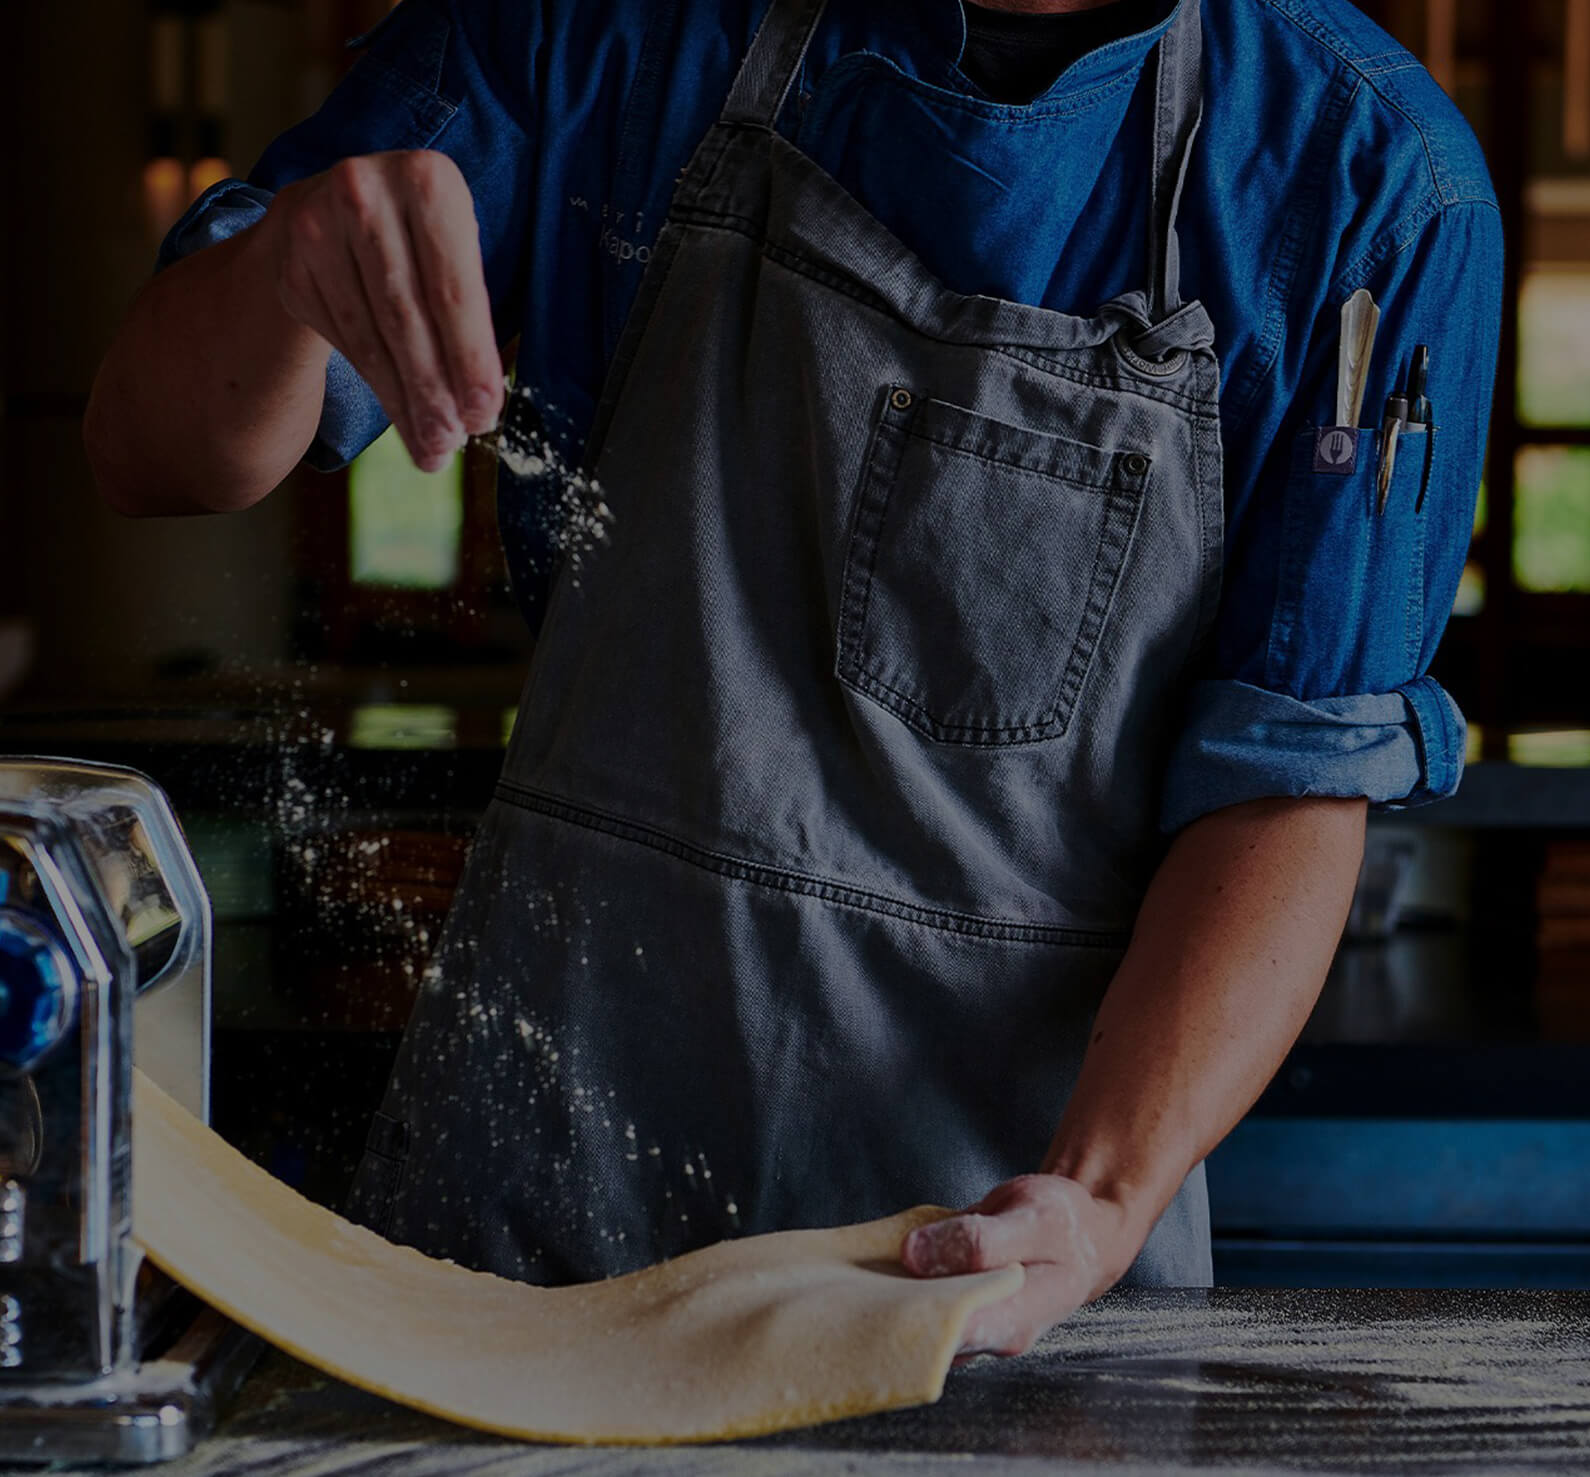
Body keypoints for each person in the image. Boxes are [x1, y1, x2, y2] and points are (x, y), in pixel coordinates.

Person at [85, 0, 1501, 1356]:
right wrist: (279, 268)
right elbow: (151, 451)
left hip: (998, 1275)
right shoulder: (600, 31)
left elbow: (1289, 781)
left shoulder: (1368, 175)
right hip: (524, 1256)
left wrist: (1104, 1196)